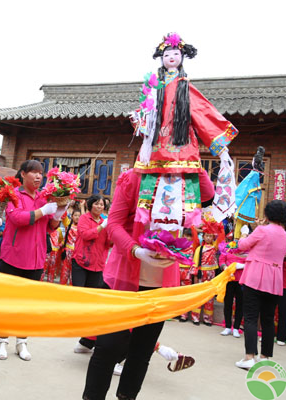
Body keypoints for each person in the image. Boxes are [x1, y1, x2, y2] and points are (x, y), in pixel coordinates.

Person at [83, 32, 237, 400]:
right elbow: (116, 225)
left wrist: (206, 171)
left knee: (140, 355)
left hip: (161, 282)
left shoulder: (191, 178)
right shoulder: (133, 177)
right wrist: (135, 250)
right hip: (123, 277)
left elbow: (215, 204)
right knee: (108, 349)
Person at [0, 160, 67, 361]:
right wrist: (43, 211)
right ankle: (2, 341)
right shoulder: (13, 194)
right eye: (34, 172)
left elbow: (49, 228)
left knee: (28, 304)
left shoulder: (45, 198)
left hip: (36, 259)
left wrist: (57, 216)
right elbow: (18, 218)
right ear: (23, 174)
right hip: (13, 257)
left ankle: (22, 342)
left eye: (41, 173)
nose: (38, 177)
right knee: (8, 303)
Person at [235, 200, 286, 370]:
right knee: (267, 319)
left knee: (251, 317)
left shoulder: (262, 230)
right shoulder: (285, 235)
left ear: (267, 214)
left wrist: (243, 236)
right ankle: (265, 356)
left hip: (256, 276)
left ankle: (249, 356)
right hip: (274, 279)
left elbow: (242, 246)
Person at [72, 195, 110, 353]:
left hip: (97, 264)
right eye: (97, 204)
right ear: (90, 205)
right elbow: (86, 235)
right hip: (81, 261)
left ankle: (88, 335)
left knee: (93, 300)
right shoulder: (84, 219)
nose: (100, 207)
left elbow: (109, 243)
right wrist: (102, 226)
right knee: (80, 294)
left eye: (102, 205)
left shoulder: (105, 220)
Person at [191, 218, 223, 326]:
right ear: (203, 236)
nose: (209, 238)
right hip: (201, 274)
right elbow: (195, 263)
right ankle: (195, 317)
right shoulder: (199, 249)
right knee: (199, 295)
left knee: (209, 297)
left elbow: (221, 238)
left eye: (210, 236)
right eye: (207, 236)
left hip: (211, 274)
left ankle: (207, 318)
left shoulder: (214, 248)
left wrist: (219, 227)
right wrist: (195, 276)